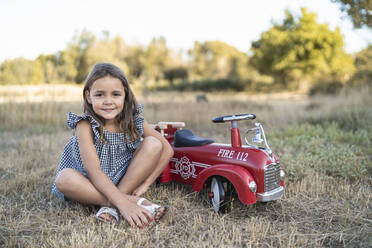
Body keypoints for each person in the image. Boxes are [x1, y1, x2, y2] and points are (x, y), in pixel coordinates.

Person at [51, 62, 173, 228]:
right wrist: (126, 204)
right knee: (64, 178)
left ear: (125, 95)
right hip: (90, 184)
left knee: (153, 143)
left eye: (116, 94)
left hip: (123, 181)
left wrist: (146, 183)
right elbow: (93, 170)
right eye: (100, 95)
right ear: (89, 96)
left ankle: (111, 204)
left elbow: (166, 148)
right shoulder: (85, 124)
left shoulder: (133, 120)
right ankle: (132, 202)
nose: (108, 101)